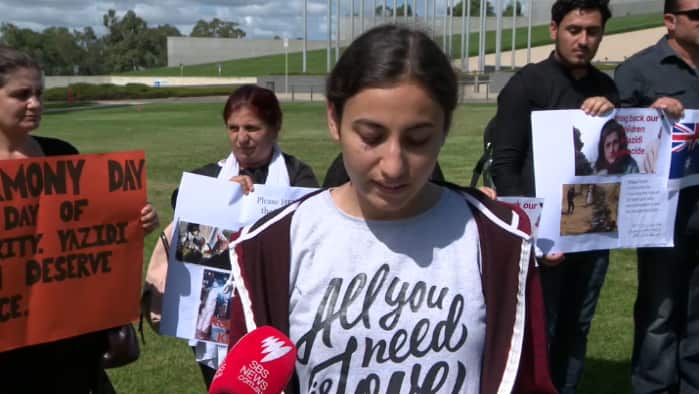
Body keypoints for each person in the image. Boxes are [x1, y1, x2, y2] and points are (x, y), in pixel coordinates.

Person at [224, 24, 555, 394]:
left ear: (445, 127)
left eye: (418, 140)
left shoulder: (499, 242)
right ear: (334, 119)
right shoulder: (270, 248)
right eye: (371, 137)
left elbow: (529, 381)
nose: (394, 165)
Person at [0, 45, 160, 393]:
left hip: (70, 342)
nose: (35, 104)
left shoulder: (62, 154)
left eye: (39, 93)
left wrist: (136, 221)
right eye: (21, 94)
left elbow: (94, 233)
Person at [143, 84, 319, 389]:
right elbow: (184, 206)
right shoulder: (210, 175)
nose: (242, 138)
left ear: (274, 128)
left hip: (278, 309)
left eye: (252, 128)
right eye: (233, 128)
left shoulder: (297, 175)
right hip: (216, 321)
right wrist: (223, 195)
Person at [488, 0, 618, 392]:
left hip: (592, 231)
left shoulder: (607, 86)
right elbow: (505, 165)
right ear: (554, 30)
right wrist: (529, 232)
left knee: (577, 326)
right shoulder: (526, 84)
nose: (583, 40)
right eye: (574, 30)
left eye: (592, 32)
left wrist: (616, 111)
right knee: (540, 329)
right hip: (543, 237)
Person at [614, 0, 699, 391]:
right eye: (697, 15)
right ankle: (654, 386)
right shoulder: (636, 71)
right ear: (670, 21)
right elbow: (615, 144)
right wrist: (650, 116)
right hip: (662, 213)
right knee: (659, 310)